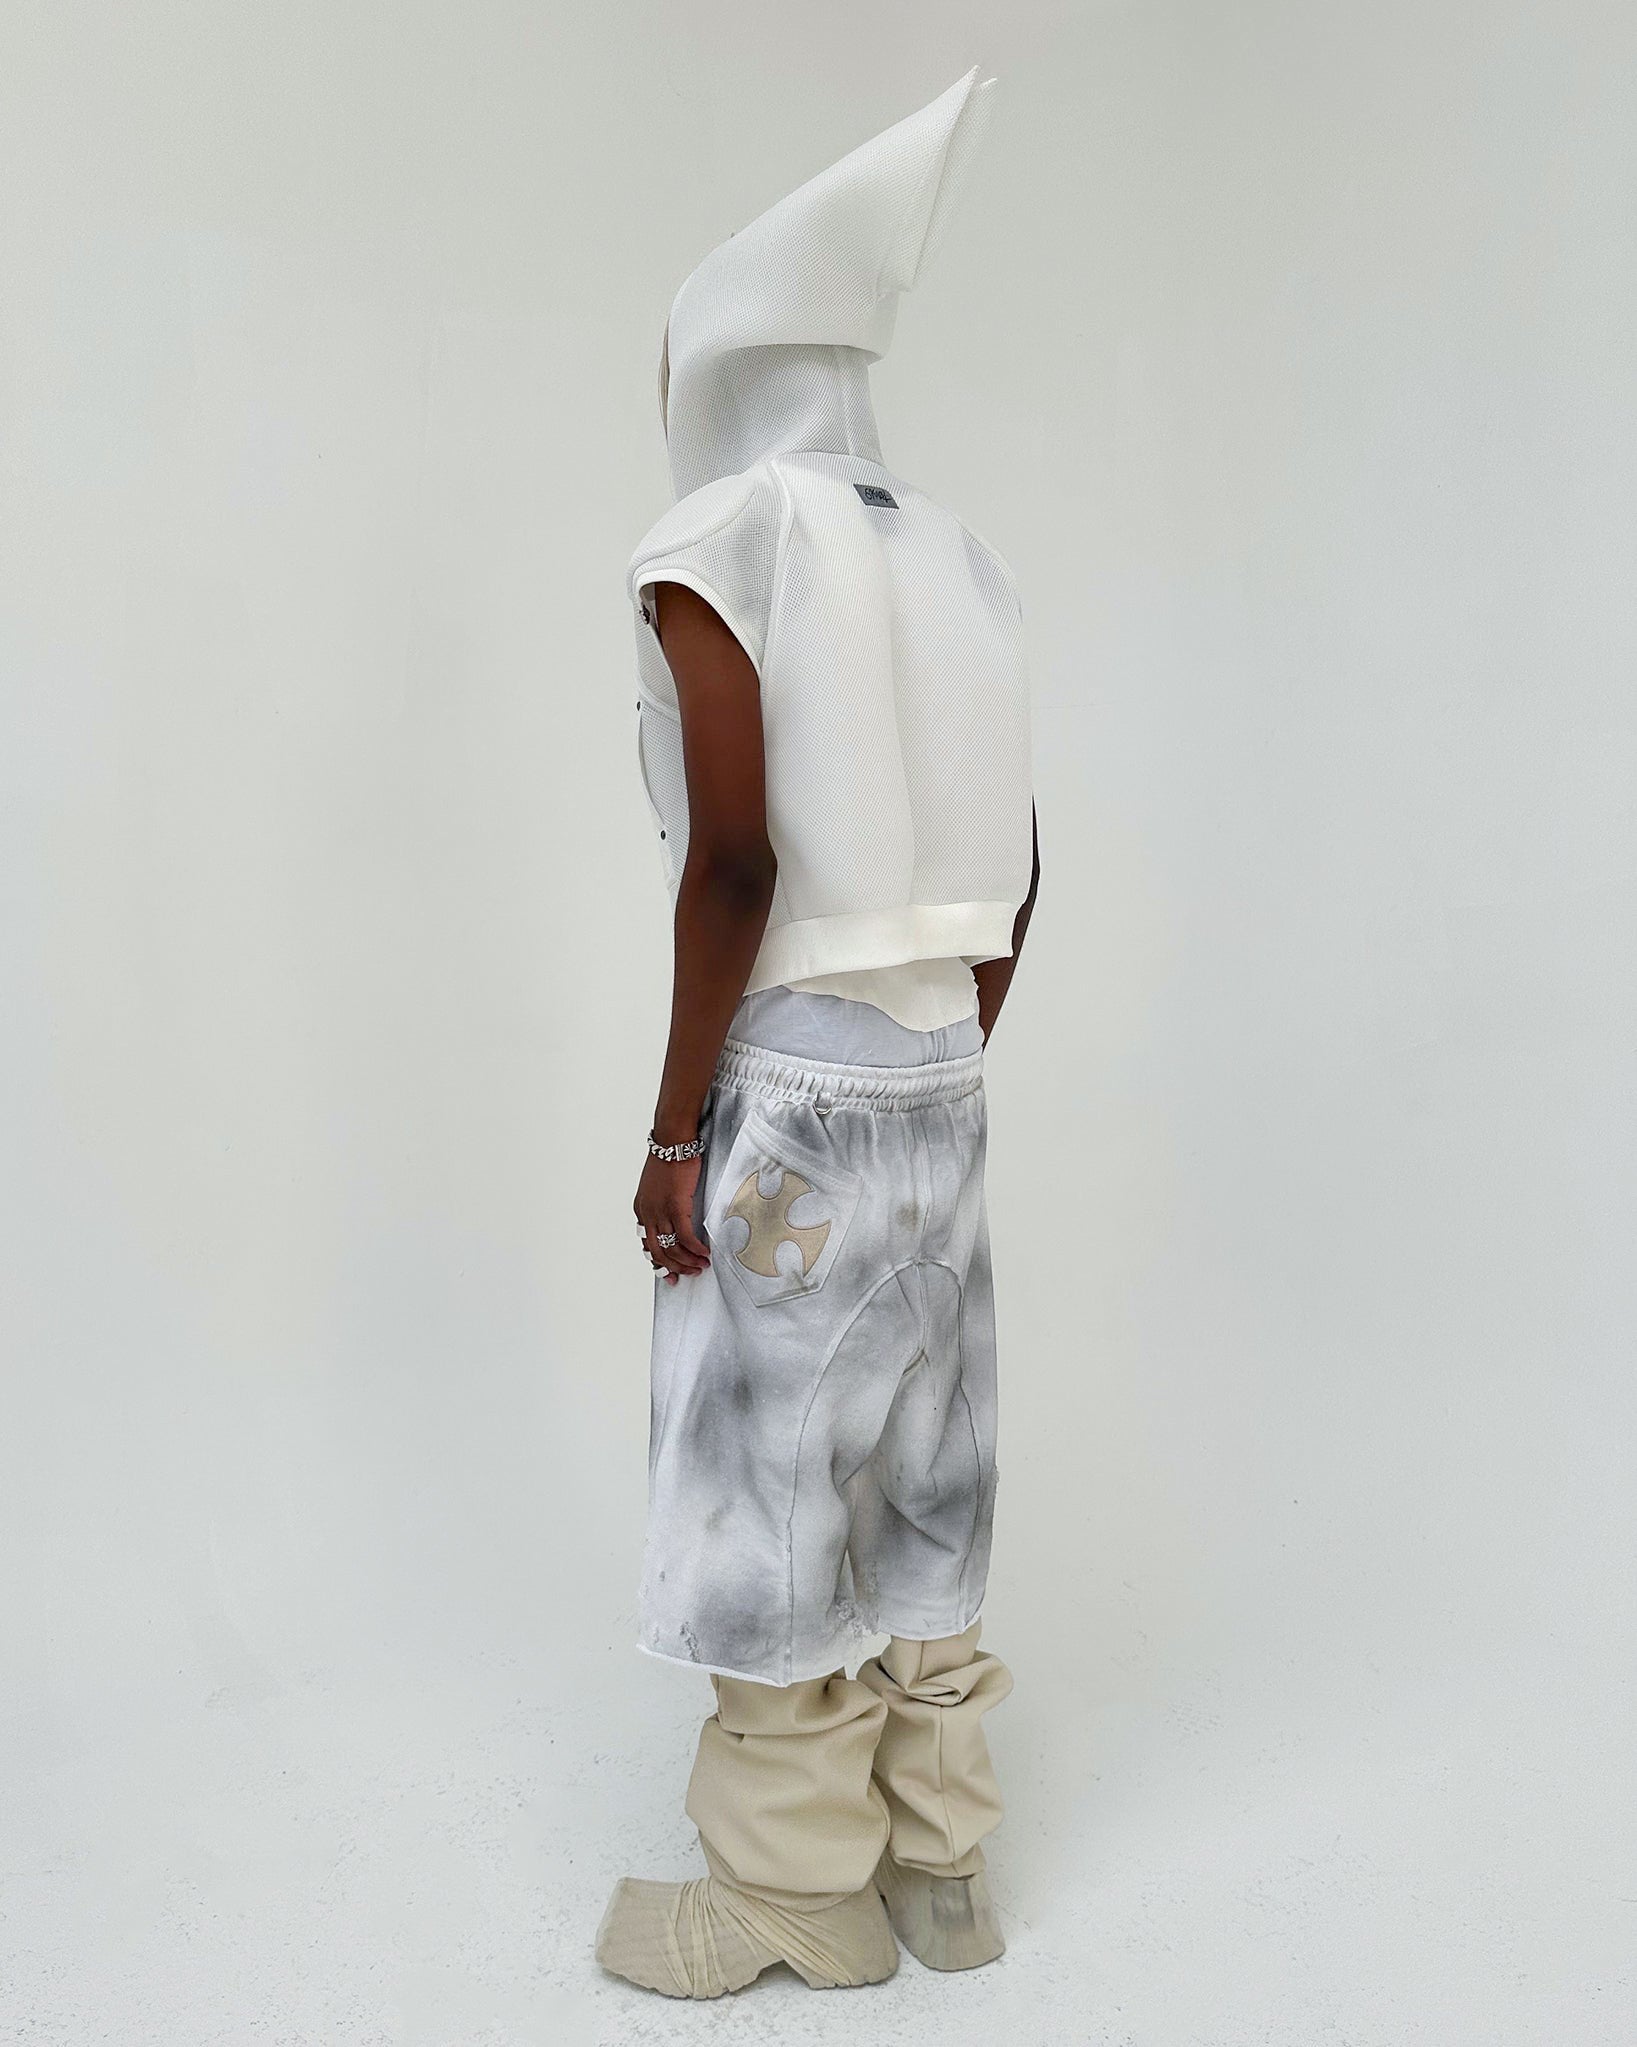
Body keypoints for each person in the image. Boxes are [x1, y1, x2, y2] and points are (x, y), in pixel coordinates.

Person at [595, 67, 1040, 1999]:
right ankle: (943, 1864)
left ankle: (791, 1891)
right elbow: (1021, 870)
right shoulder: (955, 549)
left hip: (791, 1096)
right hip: (942, 1076)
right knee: (930, 1459)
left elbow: (733, 862)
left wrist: (677, 1129)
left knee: (768, 1482)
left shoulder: (717, 538)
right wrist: (937, 1044)